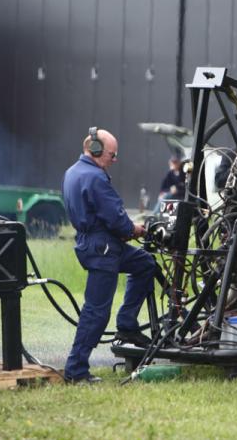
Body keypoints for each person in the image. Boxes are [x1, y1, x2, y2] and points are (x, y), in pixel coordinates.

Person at [62, 127, 156, 384]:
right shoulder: (95, 177)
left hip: (93, 243)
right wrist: (134, 229)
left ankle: (127, 325)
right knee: (96, 311)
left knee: (145, 263)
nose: (114, 161)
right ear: (95, 150)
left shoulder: (73, 172)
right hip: (103, 247)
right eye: (112, 156)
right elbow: (116, 220)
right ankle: (75, 369)